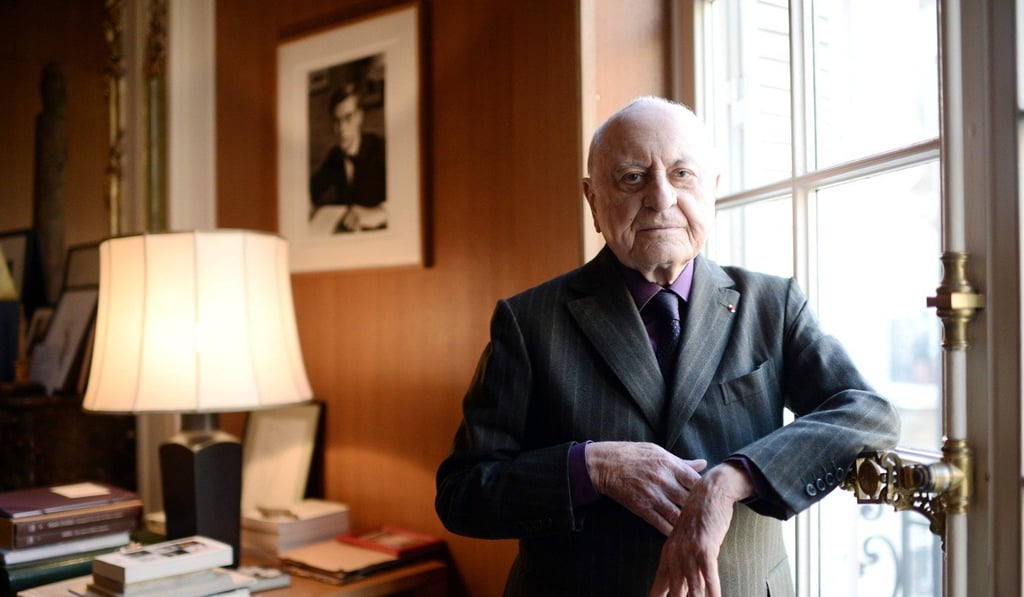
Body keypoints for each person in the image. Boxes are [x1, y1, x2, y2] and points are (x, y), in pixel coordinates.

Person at [435, 96, 900, 596]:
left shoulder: (773, 304)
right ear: (593, 201)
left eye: (682, 174)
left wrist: (732, 480)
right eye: (632, 177)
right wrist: (591, 467)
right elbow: (464, 494)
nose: (661, 198)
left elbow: (868, 413)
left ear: (712, 191)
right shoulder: (528, 321)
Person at [309, 82, 387, 232]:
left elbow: (407, 196)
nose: (341, 128)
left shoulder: (380, 147)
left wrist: (382, 212)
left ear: (359, 117)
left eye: (348, 118)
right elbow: (312, 190)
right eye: (336, 121)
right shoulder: (335, 156)